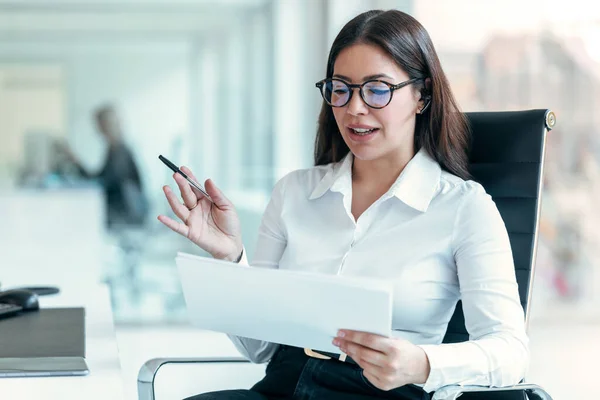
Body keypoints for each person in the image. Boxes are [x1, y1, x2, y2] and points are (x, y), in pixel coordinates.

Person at [158, 9, 528, 400]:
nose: (354, 108)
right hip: (282, 385)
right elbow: (261, 349)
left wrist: (422, 363)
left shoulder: (463, 208)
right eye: (341, 88)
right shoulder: (294, 193)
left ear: (422, 95)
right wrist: (232, 259)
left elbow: (511, 352)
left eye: (377, 89)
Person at [65, 104, 148, 229]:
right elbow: (100, 179)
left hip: (124, 215)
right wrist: (76, 163)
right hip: (120, 212)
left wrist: (76, 162)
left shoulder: (120, 152)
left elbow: (103, 182)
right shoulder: (113, 149)